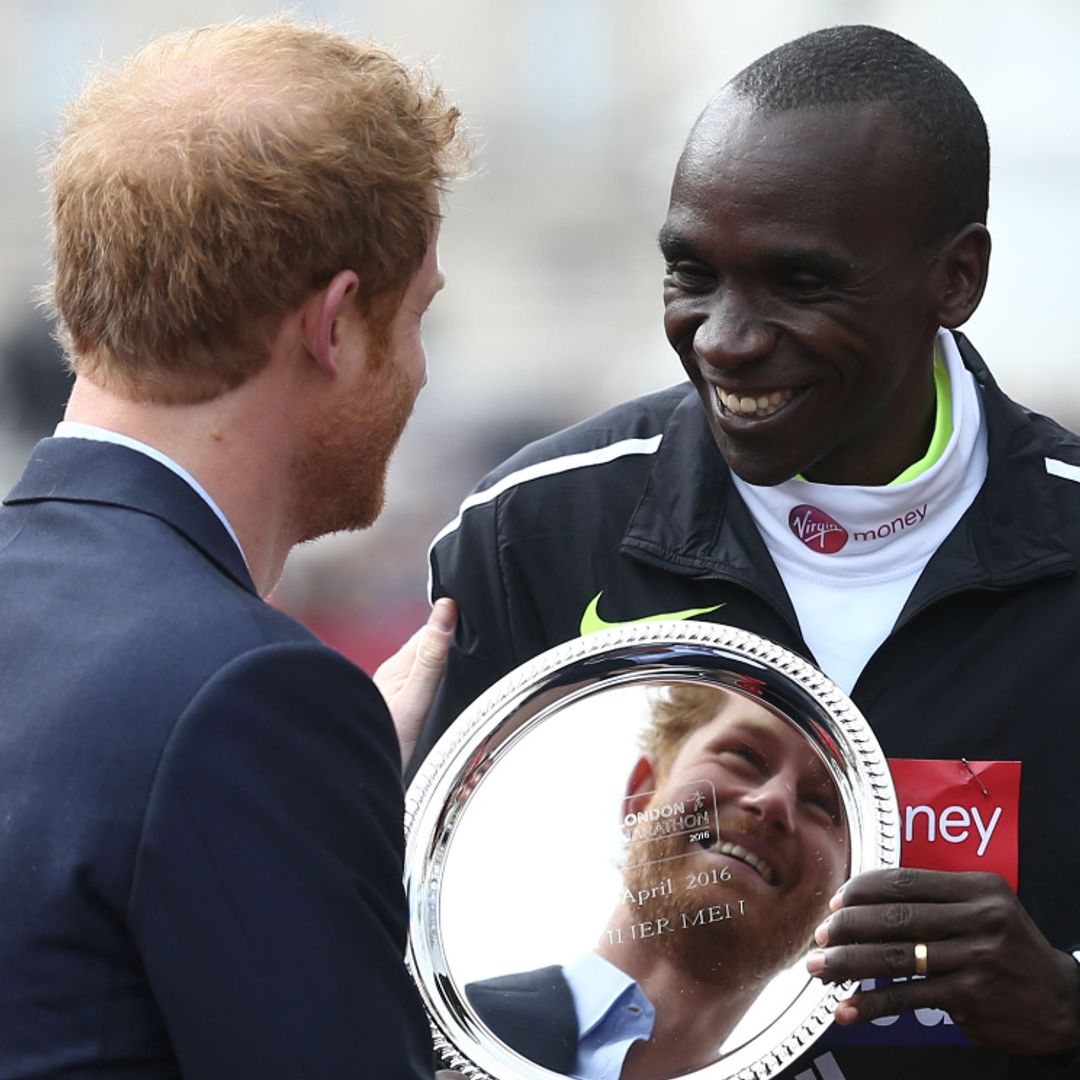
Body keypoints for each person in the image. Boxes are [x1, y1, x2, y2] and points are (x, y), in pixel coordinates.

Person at [413, 24, 1080, 1080]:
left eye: (799, 283)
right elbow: (406, 958)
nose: (723, 338)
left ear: (957, 278)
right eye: (692, 272)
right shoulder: (533, 528)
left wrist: (1067, 1001)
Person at [0, 18, 466, 1079]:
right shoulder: (245, 699)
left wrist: (310, 790)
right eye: (420, 314)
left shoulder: (238, 711)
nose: (424, 371)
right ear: (338, 324)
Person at [467, 684, 848, 1079]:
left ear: (841, 900)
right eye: (744, 756)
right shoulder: (423, 1030)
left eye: (821, 803)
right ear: (642, 793)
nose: (774, 803)